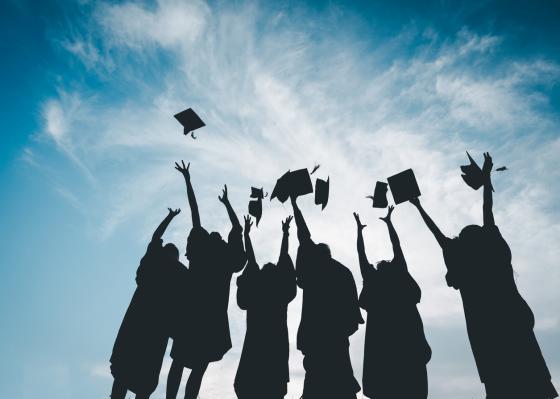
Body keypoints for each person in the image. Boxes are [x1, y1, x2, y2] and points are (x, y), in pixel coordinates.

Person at [410, 152, 558, 399]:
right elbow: (487, 209)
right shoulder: (493, 255)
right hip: (514, 324)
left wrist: (418, 206)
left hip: (487, 337)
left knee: (501, 386)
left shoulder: (465, 268)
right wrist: (487, 177)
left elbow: (438, 235)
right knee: (533, 384)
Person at [167, 161, 246, 399]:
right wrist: (189, 181)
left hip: (197, 315)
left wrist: (190, 181)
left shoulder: (209, 254)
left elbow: (231, 226)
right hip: (206, 318)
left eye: (218, 235)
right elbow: (231, 227)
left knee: (184, 364)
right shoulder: (220, 258)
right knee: (190, 366)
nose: (217, 234)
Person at [289, 196, 363, 399]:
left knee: (316, 383)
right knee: (342, 383)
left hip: (317, 338)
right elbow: (354, 316)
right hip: (337, 338)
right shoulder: (343, 272)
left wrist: (295, 205)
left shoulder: (314, 269)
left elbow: (303, 236)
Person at [353, 207, 431, 399]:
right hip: (407, 347)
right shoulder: (398, 279)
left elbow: (362, 256)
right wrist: (389, 223)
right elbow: (397, 248)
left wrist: (359, 232)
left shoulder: (375, 282)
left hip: (384, 353)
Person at [110, 208, 187, 399]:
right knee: (143, 385)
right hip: (154, 336)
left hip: (135, 328)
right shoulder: (178, 274)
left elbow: (155, 237)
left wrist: (169, 217)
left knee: (121, 379)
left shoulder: (154, 261)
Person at [234, 215, 297, 399]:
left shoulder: (258, 293)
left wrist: (247, 234)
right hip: (274, 348)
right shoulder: (279, 293)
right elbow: (282, 257)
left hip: (256, 346)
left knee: (252, 386)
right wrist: (285, 234)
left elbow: (254, 260)